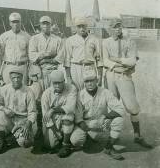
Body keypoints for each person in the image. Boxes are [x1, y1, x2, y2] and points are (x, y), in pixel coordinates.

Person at [102, 19, 152, 148]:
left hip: (125, 76)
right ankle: (113, 136)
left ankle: (137, 136)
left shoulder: (129, 41)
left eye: (119, 27)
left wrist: (118, 60)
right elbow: (105, 61)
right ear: (110, 29)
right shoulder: (106, 42)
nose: (118, 29)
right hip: (111, 75)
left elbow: (132, 61)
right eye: (115, 27)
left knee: (132, 106)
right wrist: (118, 65)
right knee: (113, 106)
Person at [71, 70, 125, 160]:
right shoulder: (80, 95)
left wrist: (105, 116)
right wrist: (87, 129)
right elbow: (78, 117)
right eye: (87, 81)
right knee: (75, 140)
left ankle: (109, 147)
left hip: (101, 121)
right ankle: (89, 137)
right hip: (87, 123)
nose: (90, 84)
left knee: (119, 120)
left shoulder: (105, 92)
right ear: (84, 83)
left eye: (92, 80)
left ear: (97, 80)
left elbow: (120, 108)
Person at [0, 67, 37, 154]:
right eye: (13, 78)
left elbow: (33, 112)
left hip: (22, 121)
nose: (16, 80)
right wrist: (4, 109)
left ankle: (14, 136)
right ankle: (3, 142)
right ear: (10, 78)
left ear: (22, 77)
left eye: (18, 77)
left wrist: (28, 124)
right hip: (9, 119)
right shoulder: (4, 89)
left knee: (26, 143)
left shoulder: (29, 91)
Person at [40, 70, 77, 158]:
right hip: (53, 120)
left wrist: (53, 109)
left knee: (68, 116)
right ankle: (61, 137)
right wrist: (56, 132)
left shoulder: (72, 88)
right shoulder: (46, 93)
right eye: (54, 83)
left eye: (59, 83)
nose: (57, 86)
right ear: (51, 83)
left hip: (65, 116)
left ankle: (66, 144)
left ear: (64, 81)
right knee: (51, 146)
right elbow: (46, 116)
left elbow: (70, 108)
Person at [64, 17, 103, 91]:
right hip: (76, 68)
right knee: (76, 91)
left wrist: (100, 76)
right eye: (79, 26)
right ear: (76, 28)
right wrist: (68, 77)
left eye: (83, 26)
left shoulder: (94, 39)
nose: (82, 29)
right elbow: (67, 60)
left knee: (91, 91)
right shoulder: (70, 40)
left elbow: (99, 60)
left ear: (87, 26)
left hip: (90, 67)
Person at [29, 16, 64, 91]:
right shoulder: (34, 38)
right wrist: (47, 55)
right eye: (43, 24)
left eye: (47, 24)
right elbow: (32, 55)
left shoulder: (57, 39)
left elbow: (60, 56)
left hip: (53, 69)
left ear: (50, 25)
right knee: (38, 94)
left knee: (53, 92)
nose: (45, 26)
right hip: (39, 70)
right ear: (40, 25)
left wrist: (47, 60)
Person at [0, 12, 30, 85]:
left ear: (21, 22)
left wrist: (30, 71)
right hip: (8, 66)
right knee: (7, 91)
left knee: (22, 91)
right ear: (10, 23)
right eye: (13, 22)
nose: (15, 24)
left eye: (17, 22)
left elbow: (30, 56)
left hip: (22, 67)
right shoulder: (4, 36)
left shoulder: (27, 37)